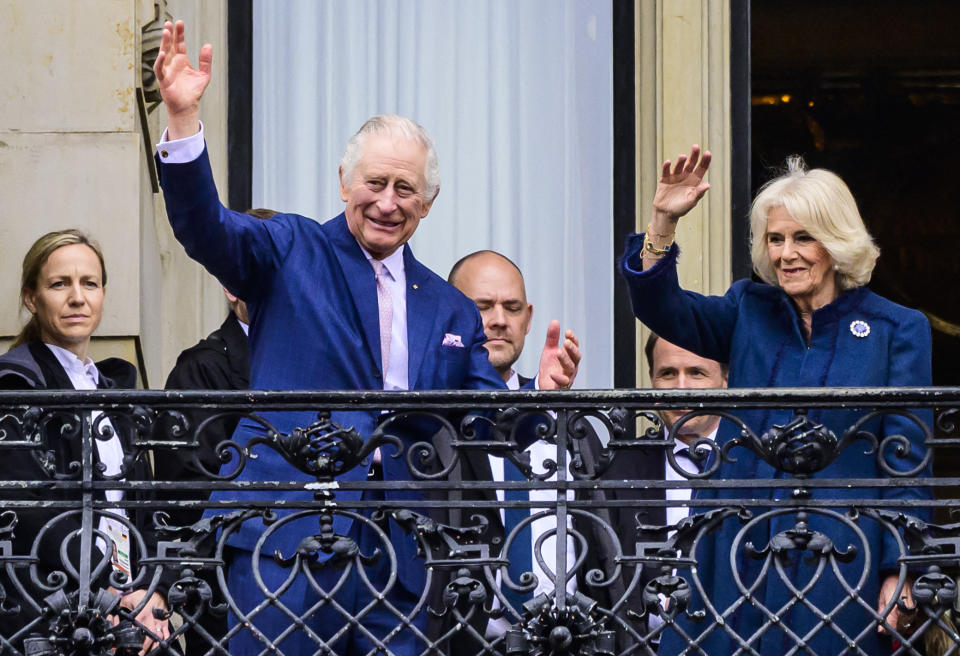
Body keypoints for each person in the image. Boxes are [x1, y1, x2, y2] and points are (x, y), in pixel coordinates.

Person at [151, 20, 580, 655]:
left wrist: (542, 396)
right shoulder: (289, 248)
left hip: (398, 551)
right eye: (374, 183)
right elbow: (205, 228)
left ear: (427, 203)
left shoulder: (450, 306)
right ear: (345, 183)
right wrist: (184, 123)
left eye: (405, 188)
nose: (387, 201)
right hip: (284, 533)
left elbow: (489, 423)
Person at [619, 148, 932, 654]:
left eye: (804, 237)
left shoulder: (896, 329)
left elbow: (907, 461)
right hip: (734, 543)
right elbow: (662, 308)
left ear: (836, 242)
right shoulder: (749, 307)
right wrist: (663, 224)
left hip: (844, 550)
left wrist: (902, 569)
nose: (787, 254)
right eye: (776, 239)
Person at [0, 230, 169, 653]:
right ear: (30, 297)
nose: (78, 298)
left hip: (128, 608)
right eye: (60, 284)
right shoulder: (14, 388)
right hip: (48, 611)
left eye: (89, 283)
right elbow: (37, 513)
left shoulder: (115, 394)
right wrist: (102, 594)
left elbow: (143, 512)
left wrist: (151, 593)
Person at [444, 250, 597, 645]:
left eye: (511, 308)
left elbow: (603, 532)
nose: (498, 320)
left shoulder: (567, 416)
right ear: (451, 315)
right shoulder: (433, 422)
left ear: (528, 319)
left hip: (566, 642)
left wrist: (542, 399)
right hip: (459, 642)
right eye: (482, 307)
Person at [584, 333, 727, 650]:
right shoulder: (616, 468)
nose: (681, 387)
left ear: (726, 380)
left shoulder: (753, 462)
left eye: (696, 373)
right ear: (651, 379)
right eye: (667, 374)